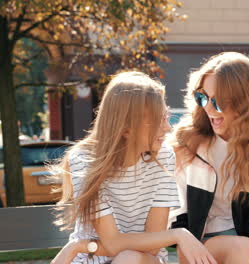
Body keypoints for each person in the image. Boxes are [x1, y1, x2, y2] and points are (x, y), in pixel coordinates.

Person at [50, 71, 217, 264]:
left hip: (143, 260)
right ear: (126, 128)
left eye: (167, 117)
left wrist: (80, 245)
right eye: (158, 120)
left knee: (129, 258)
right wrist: (177, 235)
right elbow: (112, 244)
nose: (168, 128)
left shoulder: (162, 157)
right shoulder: (84, 160)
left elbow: (153, 247)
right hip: (90, 260)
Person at [170, 52, 249, 264]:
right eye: (203, 97)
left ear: (246, 104)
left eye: (218, 102)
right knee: (242, 248)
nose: (208, 108)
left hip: (248, 236)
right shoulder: (187, 146)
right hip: (199, 243)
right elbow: (177, 215)